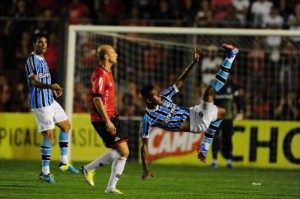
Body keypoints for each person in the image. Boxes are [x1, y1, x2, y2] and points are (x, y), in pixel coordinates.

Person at [140, 43, 239, 179]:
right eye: (156, 95)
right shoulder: (148, 118)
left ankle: (204, 146)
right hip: (196, 123)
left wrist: (193, 62)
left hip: (194, 111)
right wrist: (145, 168)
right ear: (149, 101)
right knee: (209, 92)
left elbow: (180, 82)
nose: (159, 95)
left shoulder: (164, 97)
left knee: (221, 113)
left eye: (158, 93)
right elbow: (144, 145)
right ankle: (230, 57)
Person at [25, 32, 79, 184]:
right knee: (49, 135)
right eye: (40, 42)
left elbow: (44, 78)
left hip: (50, 100)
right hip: (40, 103)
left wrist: (53, 89)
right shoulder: (31, 60)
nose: (43, 45)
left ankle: (63, 162)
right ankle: (45, 173)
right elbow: (34, 82)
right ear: (33, 44)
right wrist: (50, 86)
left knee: (66, 126)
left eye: (45, 42)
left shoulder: (43, 59)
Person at [81, 44, 129, 194]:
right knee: (123, 151)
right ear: (106, 56)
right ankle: (89, 169)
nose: (117, 54)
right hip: (102, 119)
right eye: (113, 52)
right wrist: (107, 120)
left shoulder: (108, 72)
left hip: (110, 116)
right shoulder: (100, 74)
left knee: (123, 152)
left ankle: (110, 187)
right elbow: (97, 99)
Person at [210, 77, 242, 168]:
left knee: (228, 138)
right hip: (216, 117)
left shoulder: (232, 85)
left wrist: (240, 111)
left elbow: (237, 99)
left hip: (228, 118)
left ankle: (229, 161)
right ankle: (215, 161)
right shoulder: (215, 84)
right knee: (215, 138)